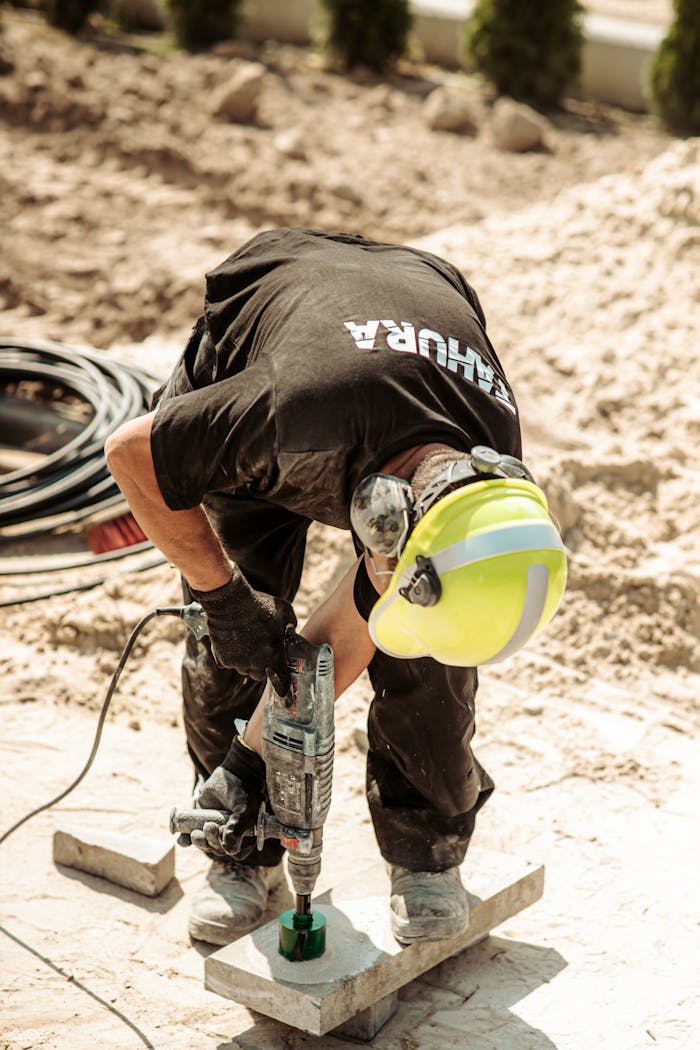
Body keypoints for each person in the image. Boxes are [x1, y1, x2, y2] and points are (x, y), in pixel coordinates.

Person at [105, 227, 566, 948]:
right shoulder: (288, 409)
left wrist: (255, 754)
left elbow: (348, 629)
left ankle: (427, 852)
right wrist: (222, 597)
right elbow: (130, 455)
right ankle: (237, 849)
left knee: (436, 649)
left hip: (408, 310)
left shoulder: (487, 477)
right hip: (275, 361)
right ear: (384, 519)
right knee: (230, 631)